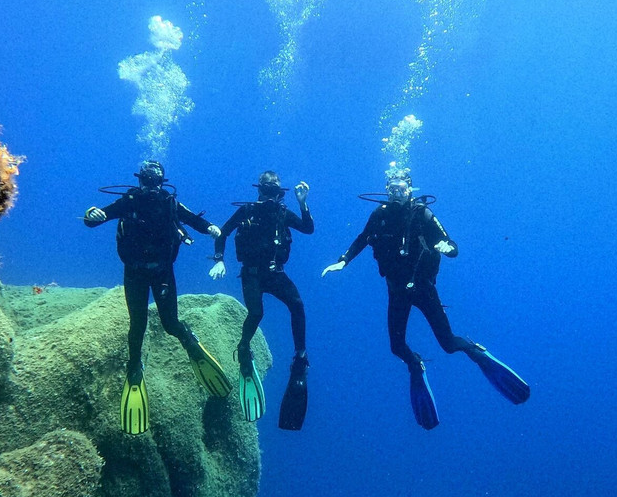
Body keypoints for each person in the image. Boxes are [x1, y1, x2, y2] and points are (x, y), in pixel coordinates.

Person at [322, 170, 529, 429]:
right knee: (397, 347)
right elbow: (362, 239)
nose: (397, 194)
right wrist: (343, 261)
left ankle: (476, 353)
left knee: (448, 344)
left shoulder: (422, 215)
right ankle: (415, 364)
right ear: (387, 190)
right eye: (392, 189)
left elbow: (451, 243)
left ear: (410, 189)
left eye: (401, 189)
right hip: (396, 290)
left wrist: (447, 248)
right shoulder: (379, 215)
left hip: (423, 289)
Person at [84, 160, 232, 434]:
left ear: (160, 184)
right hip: (135, 273)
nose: (151, 187)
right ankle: (134, 367)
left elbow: (191, 219)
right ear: (140, 181)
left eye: (155, 183)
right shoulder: (129, 201)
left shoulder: (169, 202)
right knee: (137, 325)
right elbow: (100, 217)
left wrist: (210, 227)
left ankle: (190, 344)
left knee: (170, 323)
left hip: (161, 272)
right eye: (147, 182)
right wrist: (90, 215)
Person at [209, 171, 313, 430]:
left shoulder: (282, 213)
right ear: (259, 191)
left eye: (273, 190)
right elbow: (222, 233)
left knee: (297, 305)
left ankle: (300, 356)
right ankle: (243, 348)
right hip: (252, 274)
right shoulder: (246, 211)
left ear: (279, 193)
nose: (268, 195)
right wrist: (219, 260)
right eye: (265, 190)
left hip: (275, 273)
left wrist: (302, 203)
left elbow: (308, 228)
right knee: (256, 313)